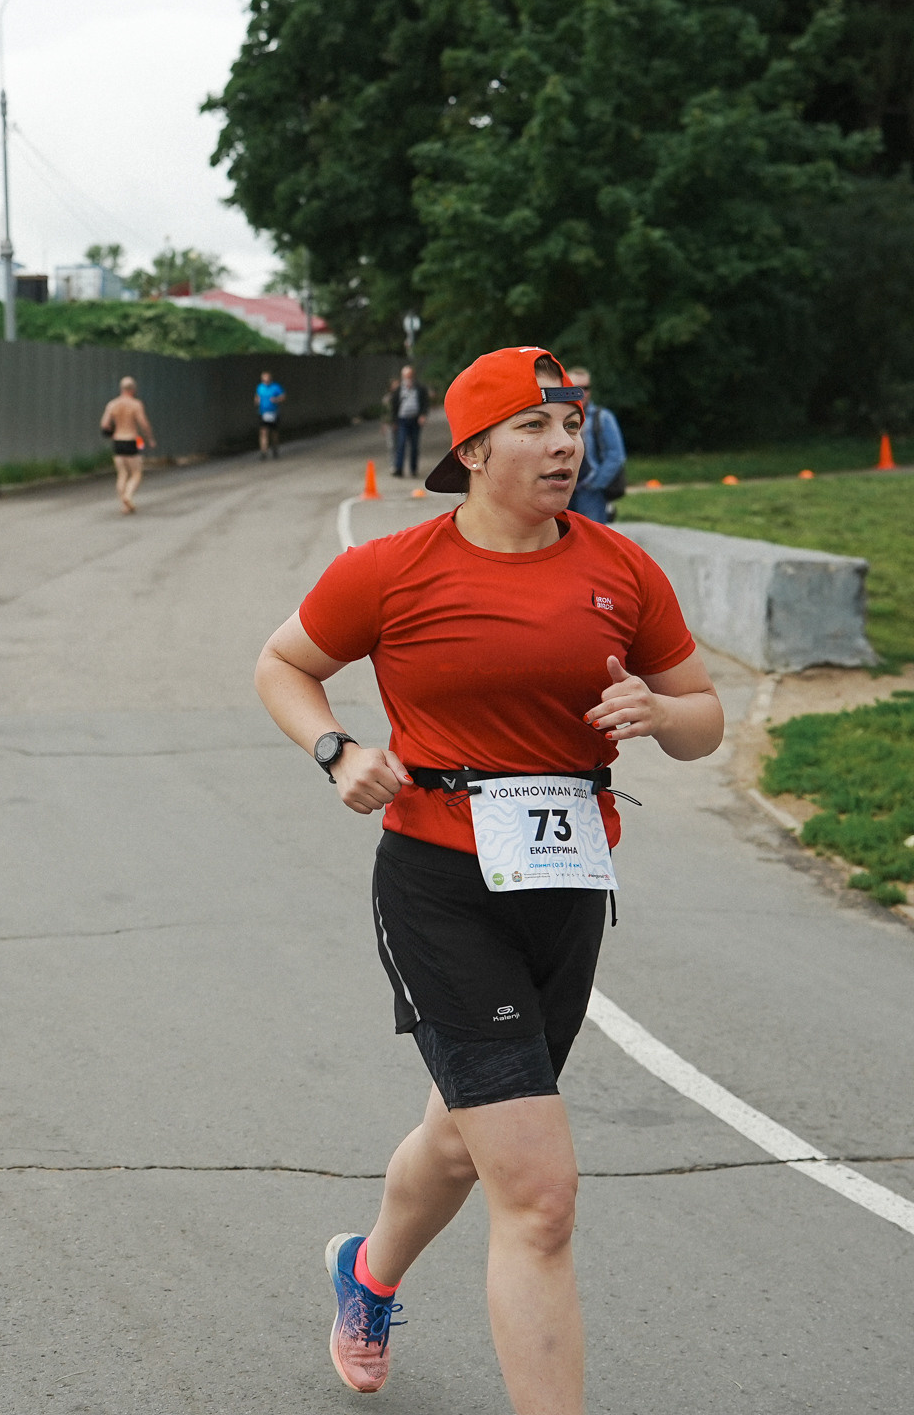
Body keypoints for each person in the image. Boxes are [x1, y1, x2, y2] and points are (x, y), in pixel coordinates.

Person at [252, 346, 723, 1406]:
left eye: (572, 425)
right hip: (438, 883)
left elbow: (704, 719)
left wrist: (660, 714)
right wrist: (337, 750)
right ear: (472, 450)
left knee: (462, 1144)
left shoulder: (619, 568)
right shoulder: (392, 568)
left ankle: (364, 1273)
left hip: (565, 884)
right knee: (541, 1197)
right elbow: (282, 664)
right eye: (537, 428)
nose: (567, 445)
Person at [566, 366, 627, 525]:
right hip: (564, 488)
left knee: (593, 541)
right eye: (575, 389)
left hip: (590, 491)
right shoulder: (557, 417)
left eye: (585, 388)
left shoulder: (603, 417)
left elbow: (616, 456)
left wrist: (596, 483)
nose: (582, 393)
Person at [99, 376, 156, 514]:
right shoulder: (136, 404)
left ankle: (123, 505)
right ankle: (128, 496)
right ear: (133, 389)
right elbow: (143, 423)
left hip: (118, 441)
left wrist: (112, 434)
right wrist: (150, 438)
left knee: (122, 473)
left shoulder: (112, 404)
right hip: (131, 440)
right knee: (136, 473)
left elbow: (104, 424)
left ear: (121, 389)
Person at [388, 365, 429, 479]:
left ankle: (413, 469)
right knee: (400, 444)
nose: (408, 378)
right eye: (406, 376)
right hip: (402, 420)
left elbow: (425, 403)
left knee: (414, 445)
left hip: (415, 420)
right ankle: (399, 468)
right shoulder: (398, 390)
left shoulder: (419, 388)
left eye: (410, 376)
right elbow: (393, 406)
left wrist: (423, 415)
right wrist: (394, 421)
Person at [256, 371, 286, 459]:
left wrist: (276, 399)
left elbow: (283, 396)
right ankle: (263, 452)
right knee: (263, 432)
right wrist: (257, 400)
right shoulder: (260, 387)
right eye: (263, 379)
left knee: (273, 432)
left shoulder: (276, 387)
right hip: (263, 412)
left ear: (270, 378)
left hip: (273, 412)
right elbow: (257, 396)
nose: (265, 380)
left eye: (267, 378)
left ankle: (275, 448)